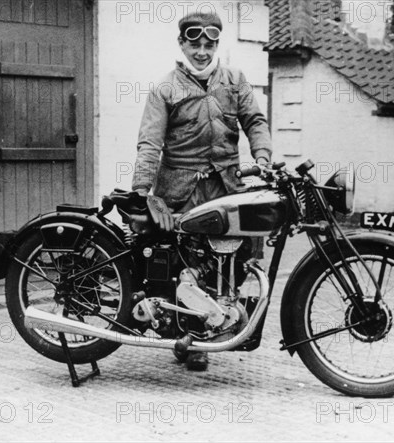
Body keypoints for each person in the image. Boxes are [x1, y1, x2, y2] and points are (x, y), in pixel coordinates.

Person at [131, 11, 273, 371]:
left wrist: (263, 154)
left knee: (232, 260)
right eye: (194, 44)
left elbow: (254, 121)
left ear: (216, 46)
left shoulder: (235, 81)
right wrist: (141, 191)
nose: (202, 51)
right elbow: (150, 142)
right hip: (181, 192)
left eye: (209, 45)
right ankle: (191, 340)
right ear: (182, 44)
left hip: (226, 187)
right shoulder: (165, 88)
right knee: (187, 265)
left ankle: (219, 322)